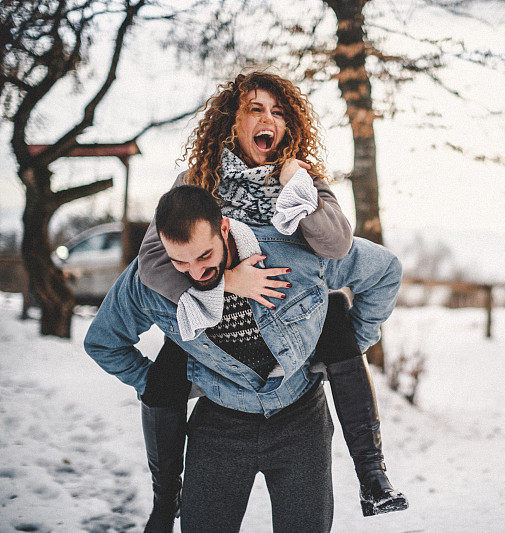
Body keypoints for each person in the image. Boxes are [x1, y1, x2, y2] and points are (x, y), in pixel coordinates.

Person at [134, 71, 407, 530]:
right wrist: (226, 283)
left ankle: (373, 473)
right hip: (222, 407)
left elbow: (337, 246)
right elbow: (153, 262)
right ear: (232, 121)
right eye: (256, 109)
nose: (269, 120)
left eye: (279, 112)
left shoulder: (306, 184)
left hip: (298, 404)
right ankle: (165, 500)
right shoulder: (198, 184)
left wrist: (297, 188)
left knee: (335, 312)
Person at [84, 184, 403, 531]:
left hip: (301, 419)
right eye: (180, 261)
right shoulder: (147, 283)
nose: (195, 273)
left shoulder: (292, 250)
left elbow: (385, 270)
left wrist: (355, 343)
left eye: (205, 256)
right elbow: (104, 342)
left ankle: (372, 472)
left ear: (223, 227)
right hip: (220, 427)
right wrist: (166, 383)